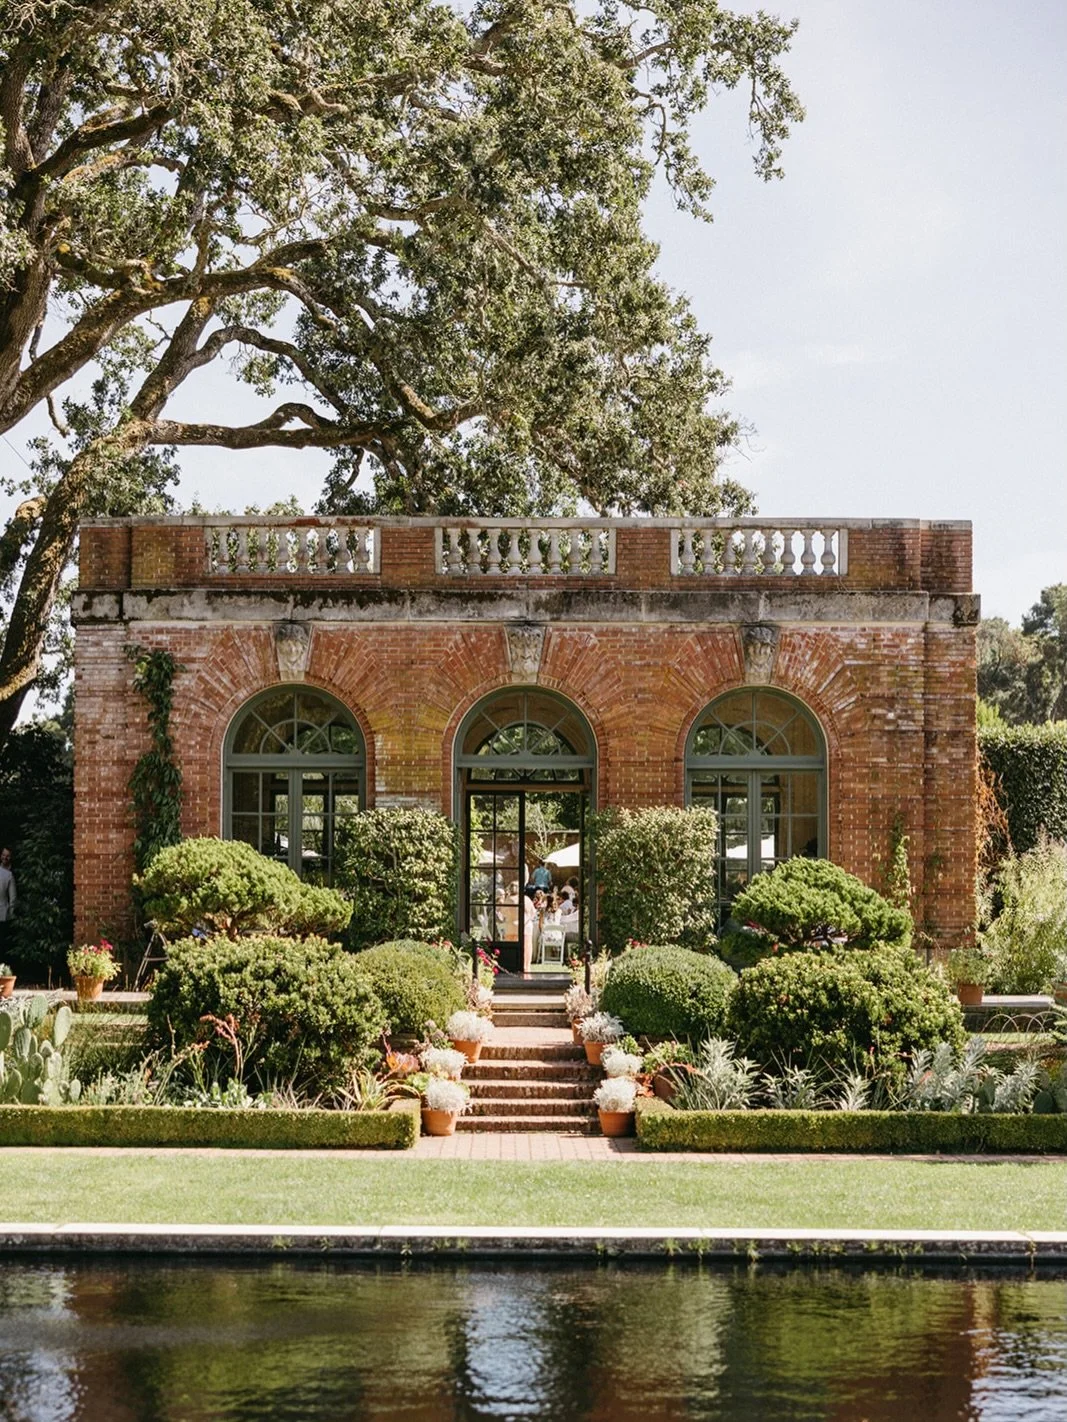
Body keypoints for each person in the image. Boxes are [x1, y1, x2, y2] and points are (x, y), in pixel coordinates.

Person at [0, 849, 15, 957]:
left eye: (8, 856)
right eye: (4, 855)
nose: (5, 857)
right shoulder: (9, 875)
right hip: (4, 914)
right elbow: (13, 898)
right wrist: (11, 913)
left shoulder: (9, 875)